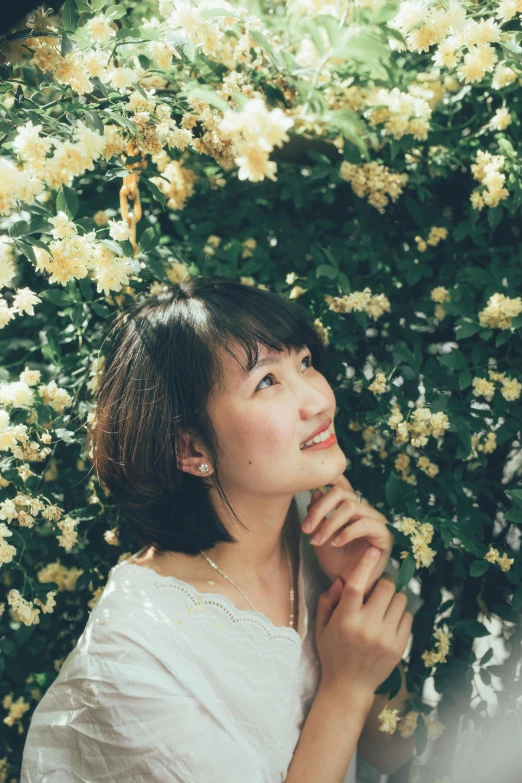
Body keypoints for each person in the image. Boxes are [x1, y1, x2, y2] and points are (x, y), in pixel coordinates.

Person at [21, 276, 418, 782]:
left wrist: (355, 590)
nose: (317, 400)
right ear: (191, 450)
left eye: (304, 364)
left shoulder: (317, 524)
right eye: (267, 382)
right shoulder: (133, 655)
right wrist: (347, 687)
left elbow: (396, 751)